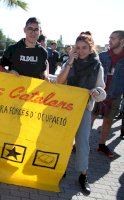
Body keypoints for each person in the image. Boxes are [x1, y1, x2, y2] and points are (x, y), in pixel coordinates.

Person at [56, 32, 106, 194]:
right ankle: (60, 169)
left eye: (84, 47)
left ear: (91, 48)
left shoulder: (97, 66)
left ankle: (83, 175)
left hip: (84, 109)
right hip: (65, 108)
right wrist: (70, 61)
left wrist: (96, 92)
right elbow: (59, 81)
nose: (81, 50)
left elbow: (101, 89)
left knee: (83, 143)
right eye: (78, 47)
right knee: (63, 140)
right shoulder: (70, 62)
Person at [94, 30, 124, 156]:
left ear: (122, 41)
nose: (109, 40)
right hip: (97, 93)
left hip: (115, 95)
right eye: (109, 38)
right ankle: (78, 144)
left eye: (113, 38)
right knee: (90, 118)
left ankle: (101, 145)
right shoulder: (102, 56)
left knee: (108, 121)